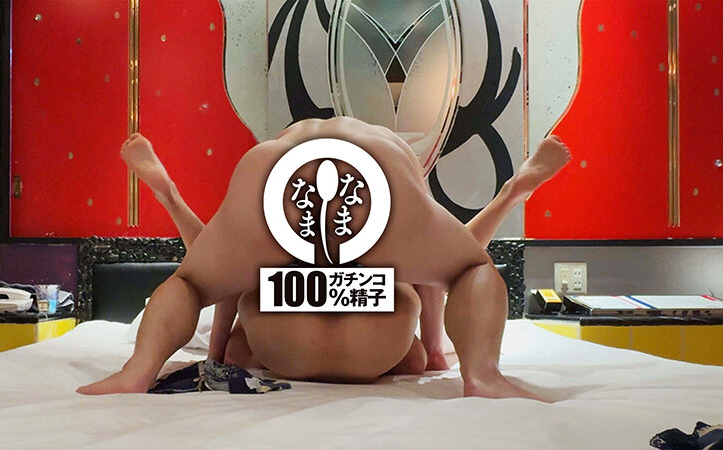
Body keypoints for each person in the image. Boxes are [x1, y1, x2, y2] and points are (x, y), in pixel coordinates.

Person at [78, 117, 570, 400]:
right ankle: (482, 374)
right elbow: (451, 273)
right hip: (380, 170)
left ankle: (139, 368)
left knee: (199, 280)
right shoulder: (390, 186)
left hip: (275, 181)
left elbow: (213, 282)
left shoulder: (272, 195)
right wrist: (437, 353)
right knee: (464, 273)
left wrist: (219, 350)